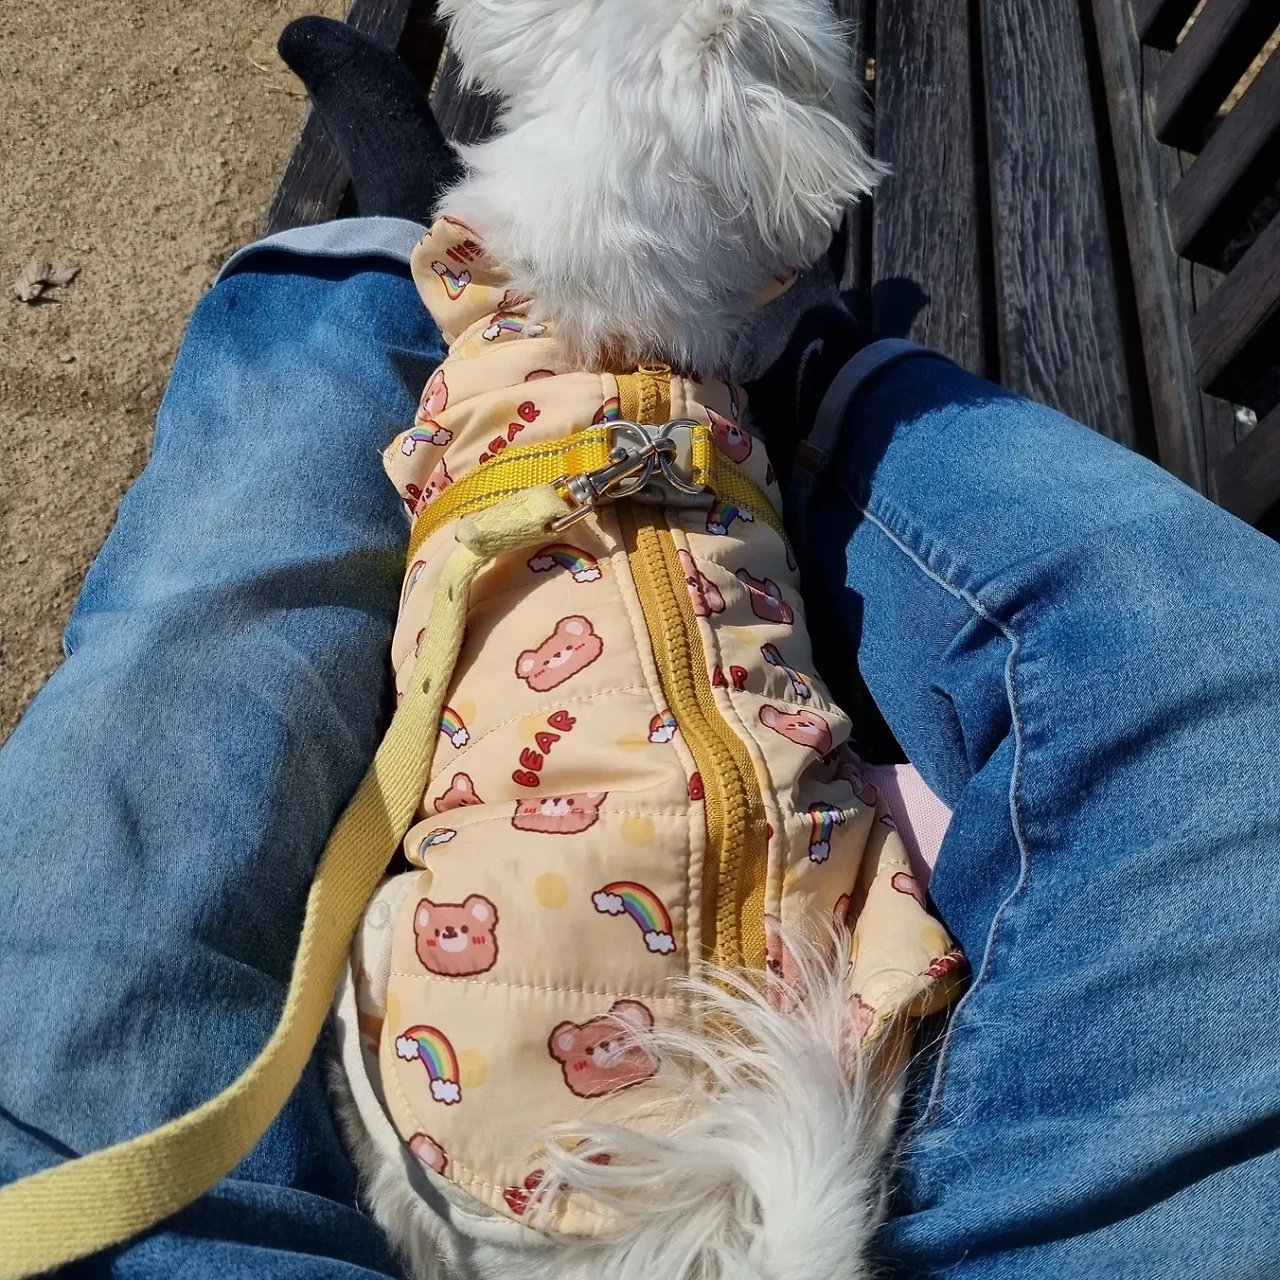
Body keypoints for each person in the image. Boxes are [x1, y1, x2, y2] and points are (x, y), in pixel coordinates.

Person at [3, 19, 1280, 1279]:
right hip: (820, 1057)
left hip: (483, 1124)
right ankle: (811, 364)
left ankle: (388, 264)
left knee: (211, 614)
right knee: (1222, 668)